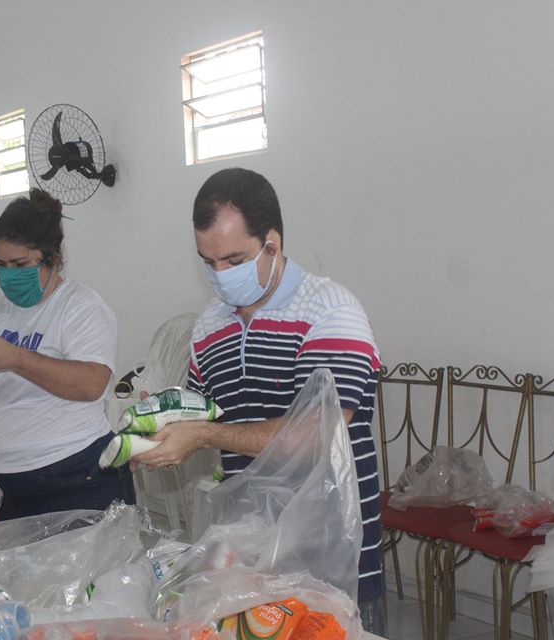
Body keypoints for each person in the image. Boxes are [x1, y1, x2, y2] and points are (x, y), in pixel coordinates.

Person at [133, 168, 387, 636]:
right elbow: (203, 412)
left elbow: (313, 436)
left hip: (332, 556)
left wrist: (202, 434)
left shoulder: (330, 309)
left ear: (273, 243)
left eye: (234, 260)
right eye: (208, 262)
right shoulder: (209, 326)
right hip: (248, 556)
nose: (220, 275)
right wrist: (159, 426)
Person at [0, 188, 136, 520]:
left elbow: (91, 384)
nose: (9, 274)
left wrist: (17, 359)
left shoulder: (80, 307)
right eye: (0, 264)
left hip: (75, 473)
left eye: (20, 264)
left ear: (52, 258)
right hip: (4, 482)